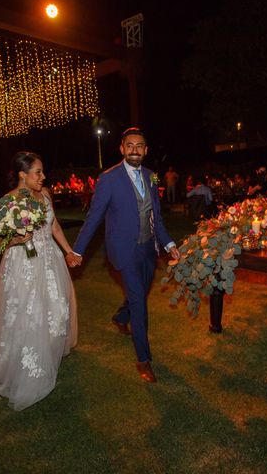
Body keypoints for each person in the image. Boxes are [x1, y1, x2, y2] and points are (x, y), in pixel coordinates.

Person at [0, 151, 78, 411]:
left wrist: (68, 251)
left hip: (50, 260)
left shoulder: (45, 194)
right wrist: (17, 239)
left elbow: (54, 227)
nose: (43, 176)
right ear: (22, 175)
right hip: (23, 265)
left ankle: (49, 350)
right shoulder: (9, 200)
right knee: (29, 313)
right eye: (38, 172)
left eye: (43, 171)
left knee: (59, 308)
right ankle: (27, 363)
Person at [67, 127, 180, 383]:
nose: (135, 150)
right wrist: (78, 250)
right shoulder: (109, 179)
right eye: (130, 145)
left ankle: (120, 317)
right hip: (124, 250)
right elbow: (94, 217)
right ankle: (144, 359)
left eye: (139, 146)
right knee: (140, 302)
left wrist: (169, 243)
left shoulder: (151, 177)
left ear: (146, 150)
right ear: (122, 148)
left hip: (148, 249)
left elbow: (156, 217)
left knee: (138, 292)